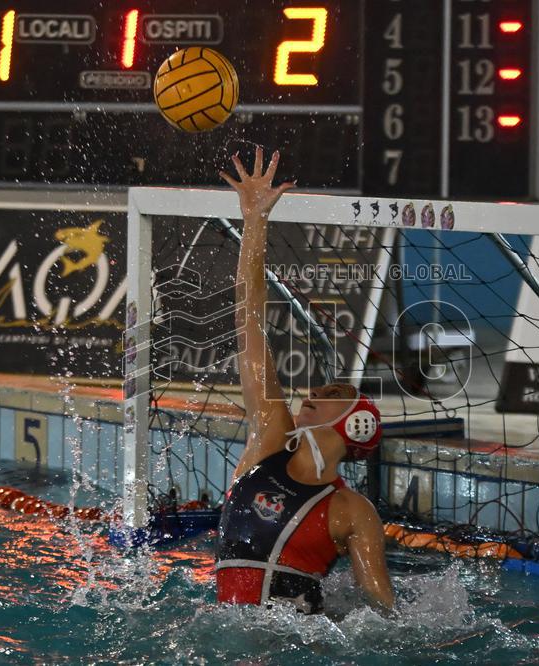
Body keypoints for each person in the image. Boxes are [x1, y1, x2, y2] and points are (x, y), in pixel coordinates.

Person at [214, 147, 395, 614]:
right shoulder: (269, 441)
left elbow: (383, 611)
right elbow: (248, 320)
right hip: (228, 632)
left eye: (333, 395)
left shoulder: (353, 512)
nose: (314, 393)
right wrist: (255, 219)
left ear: (358, 426)